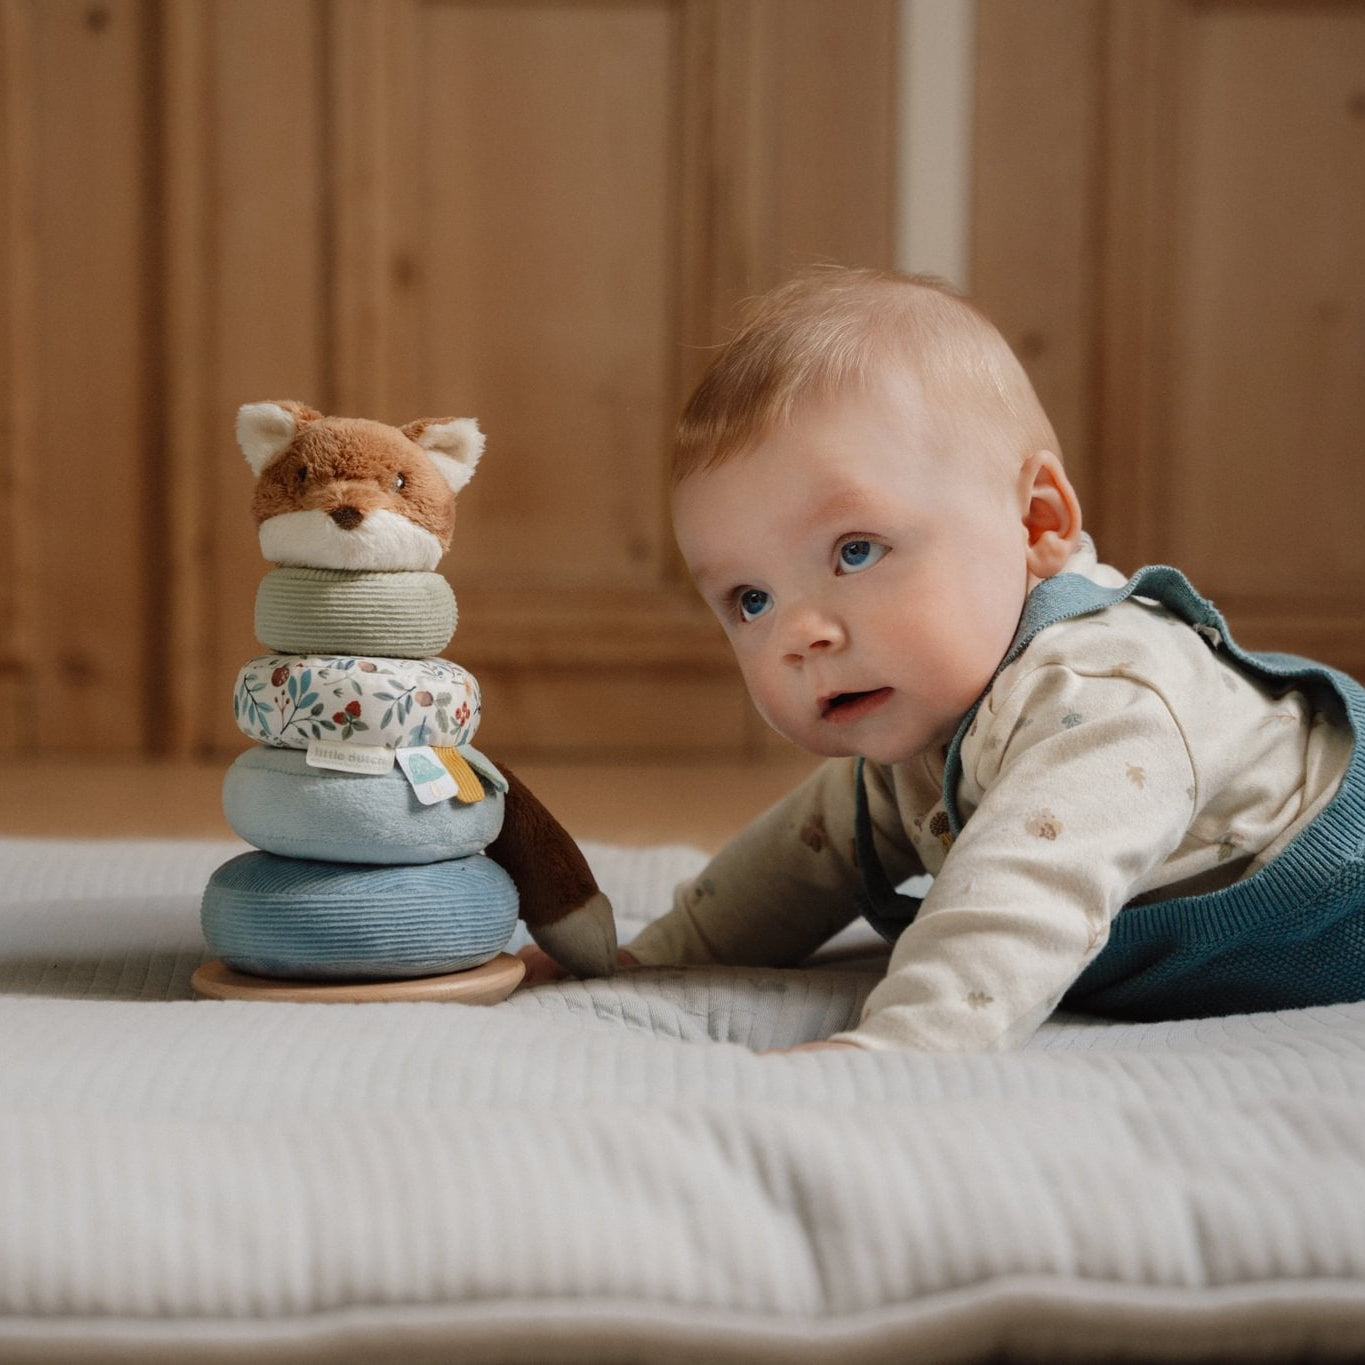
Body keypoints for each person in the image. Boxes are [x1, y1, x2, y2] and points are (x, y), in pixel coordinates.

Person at [520, 265, 1365, 1053]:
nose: (798, 633)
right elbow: (801, 857)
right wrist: (652, 958)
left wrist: (902, 1044)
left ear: (1035, 523)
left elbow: (1017, 902)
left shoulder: (1104, 698)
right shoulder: (925, 711)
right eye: (750, 599)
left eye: (855, 551)